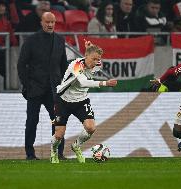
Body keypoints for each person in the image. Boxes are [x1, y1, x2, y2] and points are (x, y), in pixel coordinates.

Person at [50, 41, 117, 163]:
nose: (96, 62)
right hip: (63, 100)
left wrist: (90, 50)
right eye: (93, 59)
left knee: (91, 128)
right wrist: (105, 83)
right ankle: (54, 151)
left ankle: (76, 146)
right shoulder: (75, 65)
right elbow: (84, 82)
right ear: (85, 56)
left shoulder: (96, 64)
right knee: (59, 135)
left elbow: (93, 60)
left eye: (98, 59)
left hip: (81, 101)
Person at [17, 12, 67, 160]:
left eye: (53, 22)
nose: (50, 25)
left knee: (58, 122)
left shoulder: (59, 40)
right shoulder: (31, 40)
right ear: (41, 22)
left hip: (54, 89)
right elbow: (21, 65)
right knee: (32, 121)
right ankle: (30, 154)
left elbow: (63, 65)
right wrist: (27, 85)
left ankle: (58, 153)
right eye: (47, 22)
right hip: (35, 88)